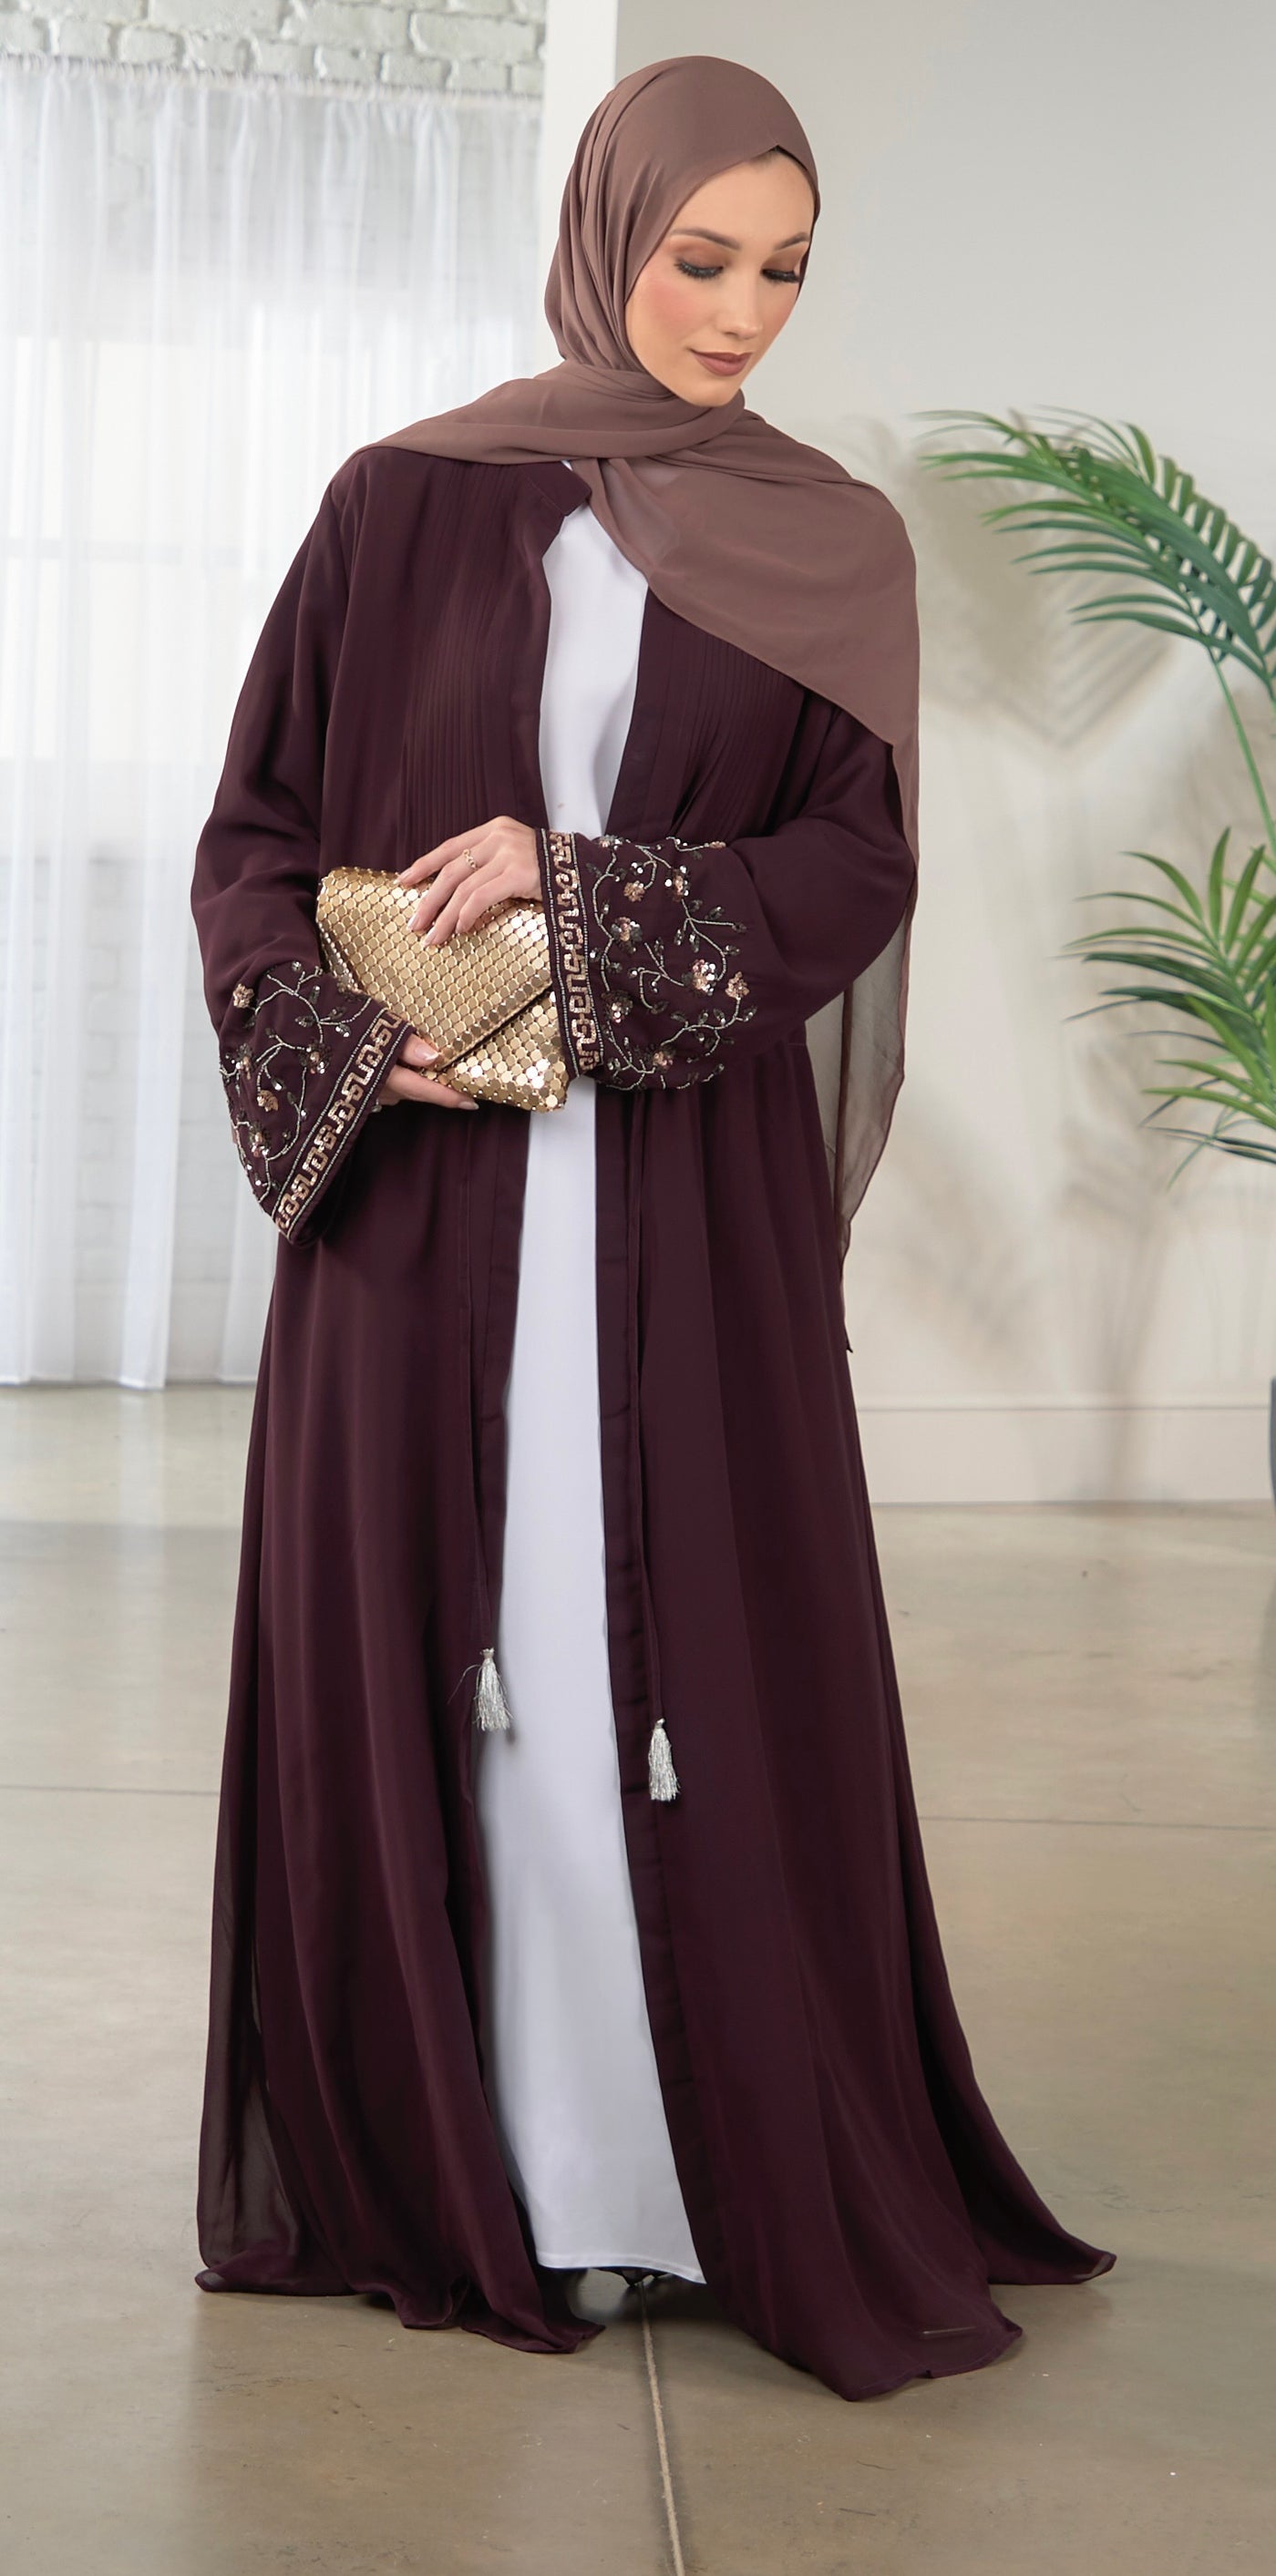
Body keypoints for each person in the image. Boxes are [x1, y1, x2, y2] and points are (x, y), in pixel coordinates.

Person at [190, 53, 1113, 2404]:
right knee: (454, 1645)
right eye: (701, 258)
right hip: (424, 1210)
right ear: (611, 235)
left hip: (678, 1200)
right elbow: (255, 838)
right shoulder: (400, 505)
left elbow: (855, 868)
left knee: (659, 1655)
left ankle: (660, 2173)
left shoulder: (829, 540)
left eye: (785, 270)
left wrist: (581, 889)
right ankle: (470, 2161)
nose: (740, 312)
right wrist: (352, 1034)